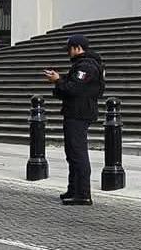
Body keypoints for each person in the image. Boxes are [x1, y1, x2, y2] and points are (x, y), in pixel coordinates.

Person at [45, 35, 105, 206]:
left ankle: (83, 193)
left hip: (79, 113)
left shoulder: (86, 66)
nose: (68, 53)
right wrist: (59, 81)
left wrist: (57, 81)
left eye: (69, 49)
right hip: (76, 112)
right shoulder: (84, 64)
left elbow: (74, 89)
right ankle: (73, 189)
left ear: (77, 48)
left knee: (78, 153)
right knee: (72, 153)